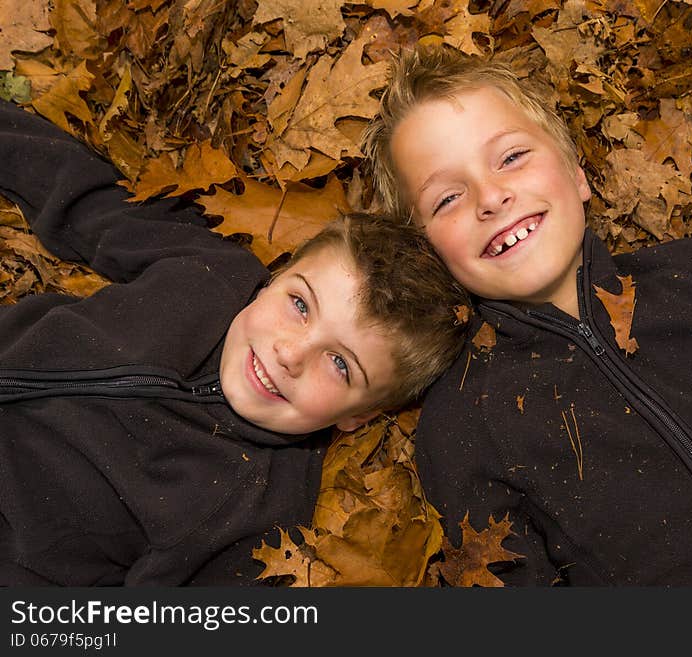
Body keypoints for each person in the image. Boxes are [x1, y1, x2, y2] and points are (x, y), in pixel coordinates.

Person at [360, 46, 692, 587]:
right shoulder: (464, 423)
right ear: (430, 254)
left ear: (578, 175)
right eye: (447, 198)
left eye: (511, 157)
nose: (491, 197)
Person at [0, 99, 470, 586]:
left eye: (339, 363)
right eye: (301, 305)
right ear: (276, 276)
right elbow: (85, 195)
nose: (289, 354)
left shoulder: (251, 515)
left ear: (359, 417)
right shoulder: (208, 273)